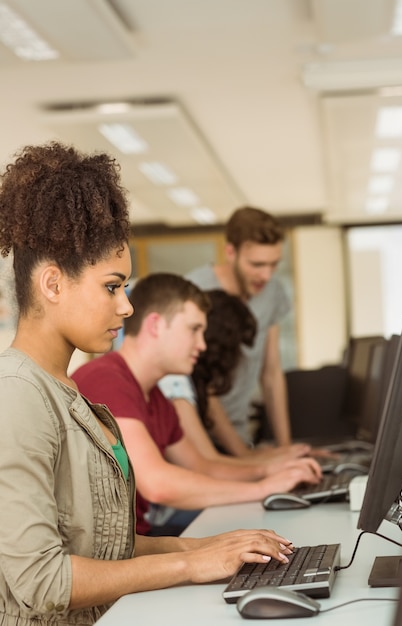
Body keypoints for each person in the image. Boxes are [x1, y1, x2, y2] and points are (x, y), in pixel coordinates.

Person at [0, 142, 294, 626]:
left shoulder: (69, 391)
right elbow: (44, 580)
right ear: (52, 285)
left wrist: (207, 546)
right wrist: (188, 563)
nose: (127, 307)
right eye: (112, 287)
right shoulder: (17, 394)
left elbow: (100, 545)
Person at [72, 273, 322, 536]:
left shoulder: (155, 397)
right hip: (113, 552)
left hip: (138, 538)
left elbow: (203, 467)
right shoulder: (106, 380)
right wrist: (262, 489)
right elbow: (157, 484)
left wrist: (268, 471)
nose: (202, 345)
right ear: (155, 325)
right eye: (194, 329)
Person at [159, 289, 310, 465]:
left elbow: (240, 454)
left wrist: (280, 456)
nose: (200, 344)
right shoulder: (174, 383)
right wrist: (272, 466)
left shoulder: (200, 385)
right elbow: (209, 464)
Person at [186, 206, 293, 454]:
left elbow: (272, 372)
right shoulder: (195, 290)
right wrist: (244, 456)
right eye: (257, 264)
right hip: (199, 439)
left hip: (240, 433)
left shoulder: (273, 292)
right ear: (230, 252)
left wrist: (285, 448)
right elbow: (202, 381)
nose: (266, 275)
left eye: (273, 264)